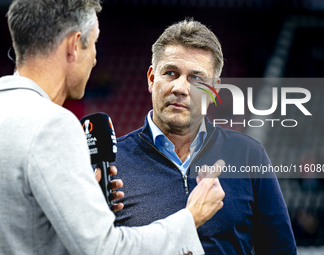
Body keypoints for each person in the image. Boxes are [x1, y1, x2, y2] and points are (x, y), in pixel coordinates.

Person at [0, 1, 225, 254]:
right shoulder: (52, 125)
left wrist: (82, 207)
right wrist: (190, 219)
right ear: (74, 45)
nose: (95, 59)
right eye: (94, 44)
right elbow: (105, 250)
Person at [112, 19, 297, 254]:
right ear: (151, 79)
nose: (180, 88)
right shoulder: (112, 163)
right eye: (170, 73)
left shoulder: (249, 155)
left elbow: (280, 250)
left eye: (196, 79)